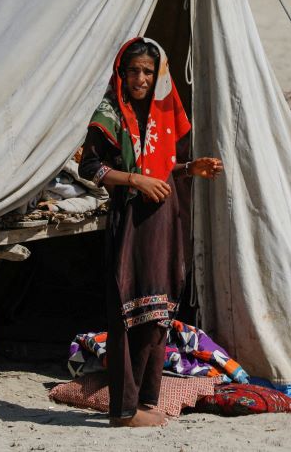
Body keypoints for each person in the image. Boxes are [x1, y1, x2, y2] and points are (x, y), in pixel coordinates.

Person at [79, 37, 223, 428]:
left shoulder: (161, 111)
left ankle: (146, 399)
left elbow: (160, 167)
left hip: (163, 223)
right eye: (133, 71)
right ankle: (122, 411)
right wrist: (135, 182)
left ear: (159, 76)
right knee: (126, 309)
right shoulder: (110, 112)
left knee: (158, 311)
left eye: (147, 72)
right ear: (121, 73)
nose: (139, 79)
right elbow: (89, 167)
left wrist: (189, 169)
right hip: (130, 224)